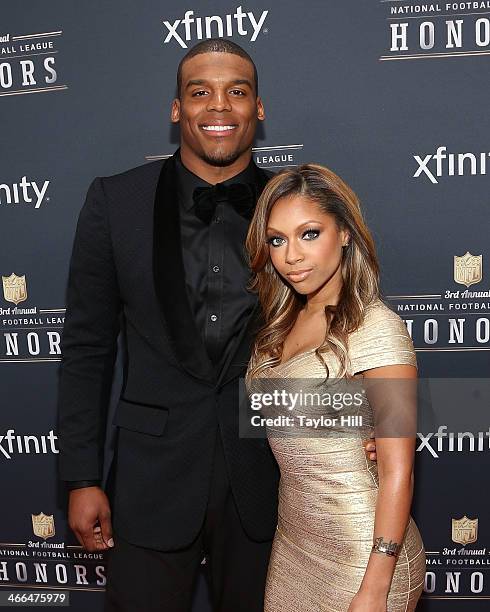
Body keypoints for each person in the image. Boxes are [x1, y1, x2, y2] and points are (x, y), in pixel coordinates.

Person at [58, 39, 377, 611]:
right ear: (176, 109)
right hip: (149, 479)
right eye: (199, 92)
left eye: (237, 91)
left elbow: (350, 324)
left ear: (259, 108)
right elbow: (86, 348)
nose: (218, 106)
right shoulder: (117, 202)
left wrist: (376, 421)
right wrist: (81, 477)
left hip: (270, 479)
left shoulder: (295, 211)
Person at [245, 164, 425, 612]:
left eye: (309, 234)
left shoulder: (376, 327)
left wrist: (375, 588)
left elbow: (397, 471)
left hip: (362, 552)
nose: (291, 256)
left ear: (344, 233)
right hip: (294, 543)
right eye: (277, 240)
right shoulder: (278, 325)